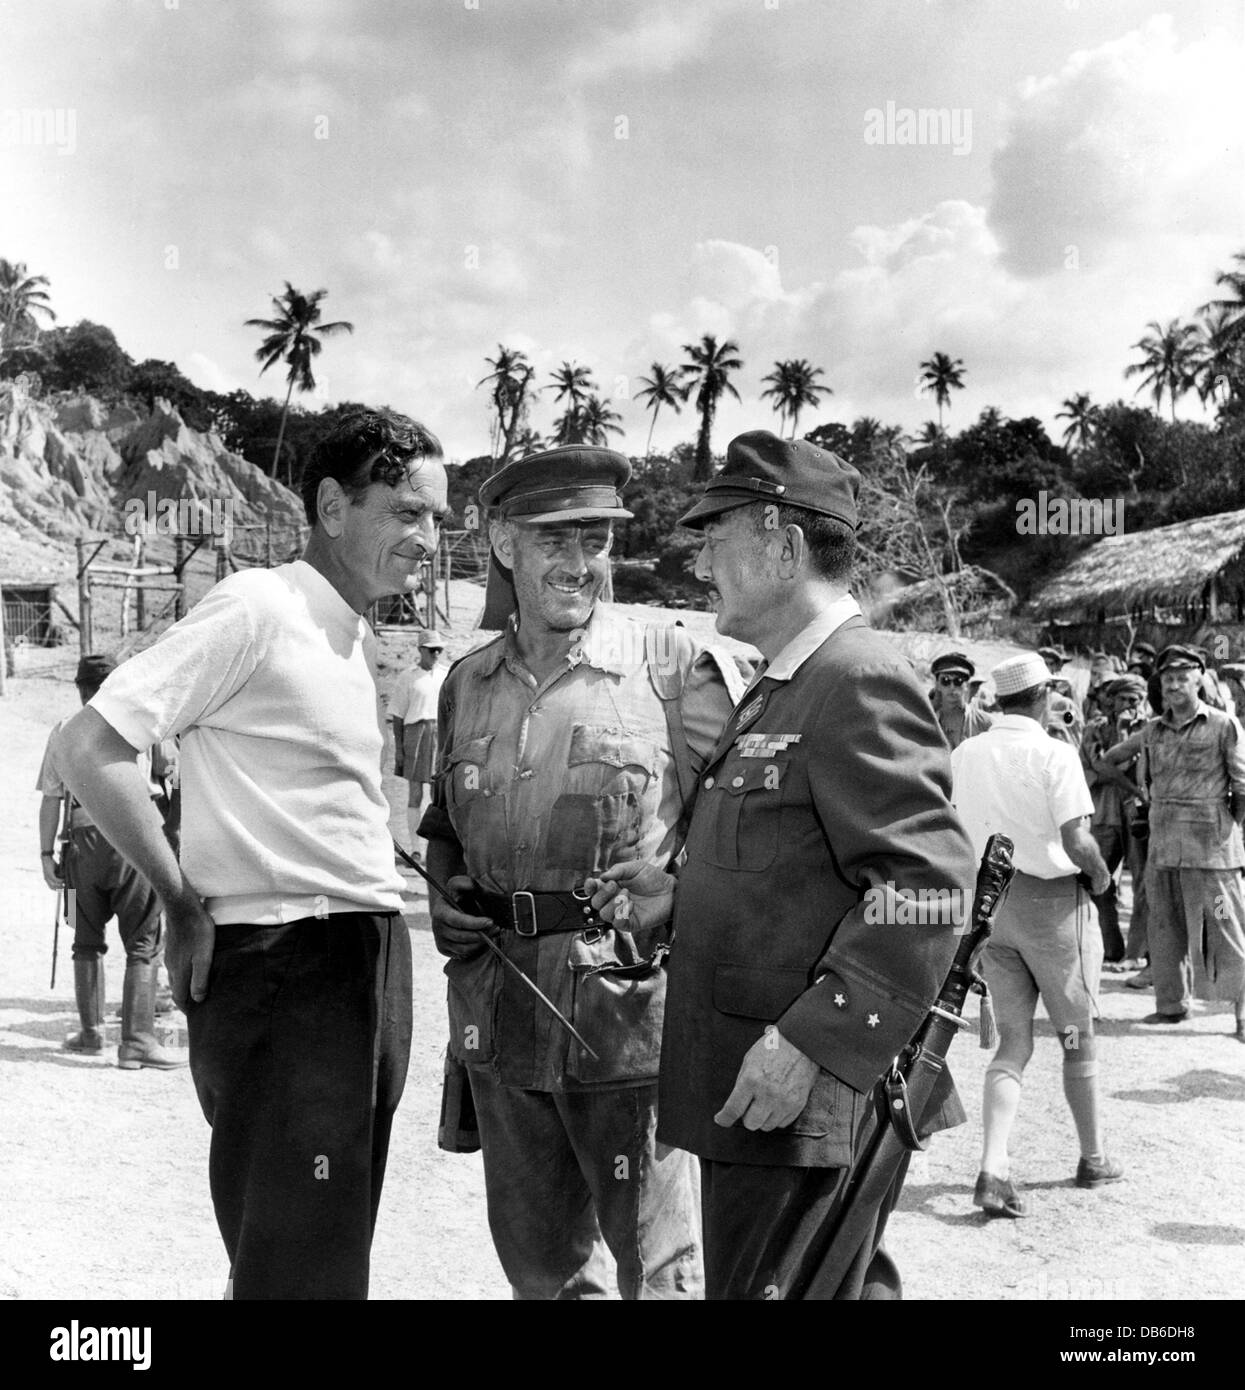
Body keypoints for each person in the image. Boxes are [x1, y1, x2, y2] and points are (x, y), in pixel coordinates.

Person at [55, 406, 446, 1298]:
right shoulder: (262, 605)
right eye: (408, 512)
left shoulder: (348, 630)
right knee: (298, 1266)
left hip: (357, 955)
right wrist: (182, 900)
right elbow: (92, 746)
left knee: (319, 1249)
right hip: (288, 966)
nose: (427, 539)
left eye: (436, 520)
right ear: (333, 506)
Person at [590, 430, 976, 1300]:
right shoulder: (788, 680)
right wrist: (678, 891)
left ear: (780, 540)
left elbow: (924, 887)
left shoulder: (853, 677)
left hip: (797, 1087)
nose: (698, 566)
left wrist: (810, 1040)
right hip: (758, 1085)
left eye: (712, 538)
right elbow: (795, 866)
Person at [420, 444, 739, 1300]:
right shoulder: (465, 685)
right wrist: (443, 891)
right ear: (500, 542)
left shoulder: (671, 669)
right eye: (555, 539)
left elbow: (755, 827)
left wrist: (679, 887)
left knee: (659, 1271)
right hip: (500, 1009)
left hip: (626, 1016)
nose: (580, 562)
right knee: (544, 1272)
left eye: (595, 540)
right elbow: (443, 827)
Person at [950, 652, 1121, 1220]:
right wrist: (1101, 879)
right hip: (1053, 907)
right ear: (1046, 694)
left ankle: (993, 1167)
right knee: (1077, 1036)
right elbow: (1077, 841)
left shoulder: (966, 754)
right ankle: (1093, 1157)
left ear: (997, 698)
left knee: (1013, 1042)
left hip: (992, 904)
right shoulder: (1054, 754)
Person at [37, 652, 184, 1069]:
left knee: (82, 939)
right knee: (143, 943)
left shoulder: (63, 729)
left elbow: (51, 798)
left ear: (80, 689)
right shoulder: (145, 722)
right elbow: (168, 774)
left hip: (76, 841)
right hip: (135, 836)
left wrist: (46, 855)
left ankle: (90, 1033)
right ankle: (136, 1041)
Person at [1109, 645, 1245, 1040]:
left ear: (1200, 679)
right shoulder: (1151, 730)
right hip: (1164, 846)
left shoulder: (1223, 725)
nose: (1173, 685)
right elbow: (1112, 759)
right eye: (1167, 678)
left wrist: (1227, 825)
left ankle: (1242, 1012)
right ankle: (1171, 1006)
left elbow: (1242, 785)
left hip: (1212, 852)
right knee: (1165, 929)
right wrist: (1139, 794)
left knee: (1225, 928)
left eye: (1182, 677)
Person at [1081, 675, 1150, 970]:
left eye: (1134, 700)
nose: (1128, 706)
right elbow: (1096, 768)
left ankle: (1137, 951)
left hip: (1137, 817)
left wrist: (1116, 765)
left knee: (1143, 885)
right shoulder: (1095, 729)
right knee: (1096, 880)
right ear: (1112, 700)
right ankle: (1111, 946)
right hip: (1104, 814)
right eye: (1122, 699)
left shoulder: (1151, 729)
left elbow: (1135, 769)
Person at [388, 628, 446, 864]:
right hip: (416, 733)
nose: (435, 654)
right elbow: (398, 715)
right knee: (415, 793)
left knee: (437, 794)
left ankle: (435, 849)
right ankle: (415, 849)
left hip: (440, 734)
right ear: (421, 650)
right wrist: (400, 749)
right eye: (431, 650)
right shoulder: (408, 677)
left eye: (439, 650)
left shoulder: (446, 674)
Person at [929, 652, 994, 749]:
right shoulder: (926, 719)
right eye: (945, 681)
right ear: (937, 684)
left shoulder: (985, 722)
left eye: (958, 681)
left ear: (967, 686)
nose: (952, 687)